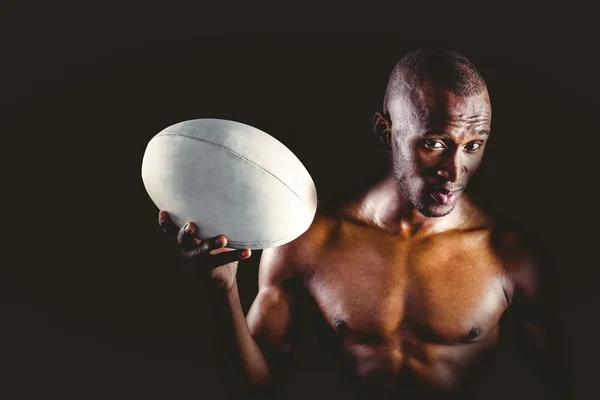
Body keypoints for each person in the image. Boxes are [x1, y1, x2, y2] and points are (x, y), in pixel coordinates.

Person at [157, 48, 563, 399]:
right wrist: (223, 290)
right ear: (385, 132)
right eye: (434, 143)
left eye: (473, 146)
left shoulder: (510, 257)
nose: (454, 170)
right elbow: (256, 389)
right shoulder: (309, 240)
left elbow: (563, 385)